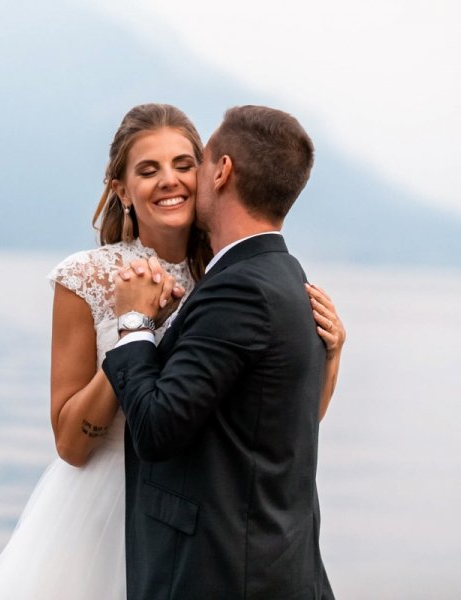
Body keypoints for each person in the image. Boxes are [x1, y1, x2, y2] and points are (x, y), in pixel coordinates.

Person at [0, 104, 344, 599]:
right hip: (104, 510)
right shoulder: (89, 278)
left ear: (214, 173)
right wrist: (141, 331)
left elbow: (271, 430)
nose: (170, 180)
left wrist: (329, 356)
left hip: (201, 528)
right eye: (148, 170)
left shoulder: (233, 276)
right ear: (123, 190)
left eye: (184, 164)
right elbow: (71, 445)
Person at [103, 105, 334, 599]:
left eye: (198, 161)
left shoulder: (239, 290)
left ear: (223, 171)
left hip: (223, 578)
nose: (186, 179)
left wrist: (134, 323)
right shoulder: (289, 277)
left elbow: (157, 428)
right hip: (280, 572)